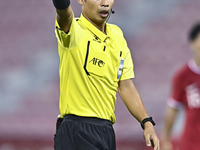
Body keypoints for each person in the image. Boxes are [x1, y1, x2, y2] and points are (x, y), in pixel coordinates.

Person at [52, 0, 159, 150]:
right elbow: (64, 14)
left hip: (106, 131)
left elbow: (126, 86)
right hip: (77, 130)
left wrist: (146, 122)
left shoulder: (117, 36)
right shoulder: (74, 30)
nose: (105, 3)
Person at [161, 22, 200, 150]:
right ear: (192, 43)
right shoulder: (183, 76)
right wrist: (165, 139)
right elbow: (173, 108)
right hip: (192, 143)